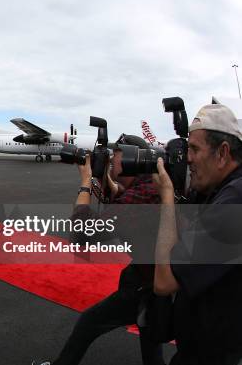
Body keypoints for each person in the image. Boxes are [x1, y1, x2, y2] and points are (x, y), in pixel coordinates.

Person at [34, 134, 164, 365]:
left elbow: (82, 233)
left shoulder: (137, 200)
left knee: (90, 322)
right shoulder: (148, 186)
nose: (112, 158)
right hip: (151, 279)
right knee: (149, 336)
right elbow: (119, 197)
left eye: (117, 154)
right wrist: (100, 176)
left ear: (134, 159)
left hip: (147, 284)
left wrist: (85, 182)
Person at [152, 103, 242, 364]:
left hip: (214, 353)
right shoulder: (222, 188)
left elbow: (164, 281)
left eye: (194, 149)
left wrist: (167, 196)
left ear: (223, 153)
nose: (187, 158)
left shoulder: (234, 202)